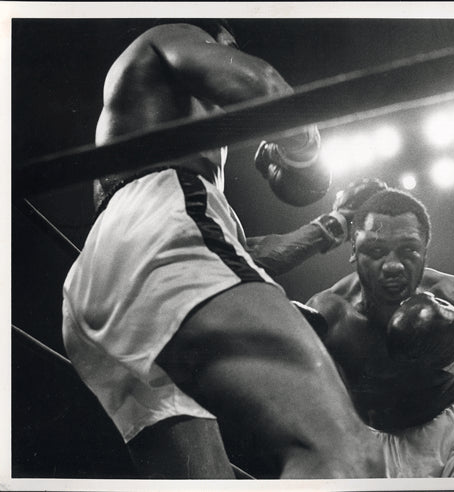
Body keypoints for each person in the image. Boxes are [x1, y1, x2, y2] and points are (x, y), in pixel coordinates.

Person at [61, 21, 384, 479]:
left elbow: (241, 261)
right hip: (157, 243)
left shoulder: (176, 166)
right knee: (347, 453)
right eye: (230, 47)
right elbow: (264, 84)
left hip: (103, 283)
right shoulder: (175, 36)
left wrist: (334, 224)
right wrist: (302, 150)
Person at [303, 186, 454, 477]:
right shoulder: (330, 315)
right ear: (354, 250)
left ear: (425, 250)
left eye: (408, 250)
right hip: (374, 449)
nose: (392, 265)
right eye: (376, 251)